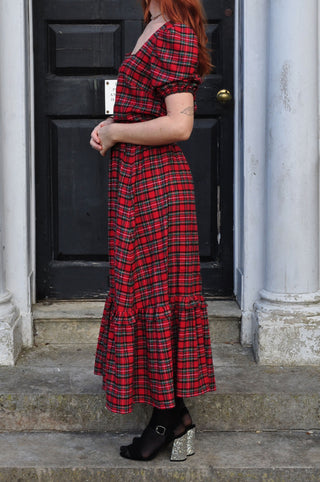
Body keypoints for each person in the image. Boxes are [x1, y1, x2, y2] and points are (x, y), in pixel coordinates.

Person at [90, 0, 216, 462]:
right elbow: (146, 108)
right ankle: (172, 413)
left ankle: (168, 416)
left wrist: (119, 132)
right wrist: (111, 126)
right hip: (137, 184)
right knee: (145, 293)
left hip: (157, 187)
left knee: (153, 295)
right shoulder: (156, 22)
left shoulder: (175, 33)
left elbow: (180, 125)